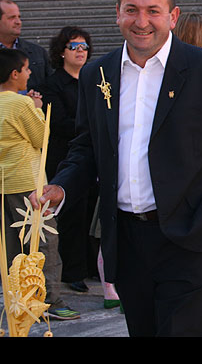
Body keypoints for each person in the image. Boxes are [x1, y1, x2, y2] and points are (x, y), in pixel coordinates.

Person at [29, 0, 202, 337]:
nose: (141, 22)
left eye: (153, 11)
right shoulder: (96, 74)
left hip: (189, 237)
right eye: (131, 10)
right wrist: (60, 187)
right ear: (117, 13)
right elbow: (86, 148)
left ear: (172, 16)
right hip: (126, 240)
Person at [0, 48, 80, 321]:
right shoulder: (21, 104)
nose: (30, 73)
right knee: (44, 241)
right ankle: (50, 300)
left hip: (5, 183)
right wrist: (36, 109)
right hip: (29, 183)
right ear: (14, 74)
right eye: (25, 69)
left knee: (12, 245)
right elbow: (41, 138)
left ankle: (18, 298)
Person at [37, 26, 99, 295]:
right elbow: (59, 123)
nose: (80, 52)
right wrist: (94, 127)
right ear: (61, 52)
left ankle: (93, 265)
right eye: (74, 46)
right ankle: (73, 271)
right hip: (66, 158)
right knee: (71, 216)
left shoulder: (94, 79)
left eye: (84, 47)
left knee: (93, 215)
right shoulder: (52, 85)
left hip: (94, 158)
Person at [0, 0, 53, 91]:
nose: (18, 22)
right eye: (12, 17)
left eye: (19, 17)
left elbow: (51, 87)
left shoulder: (38, 53)